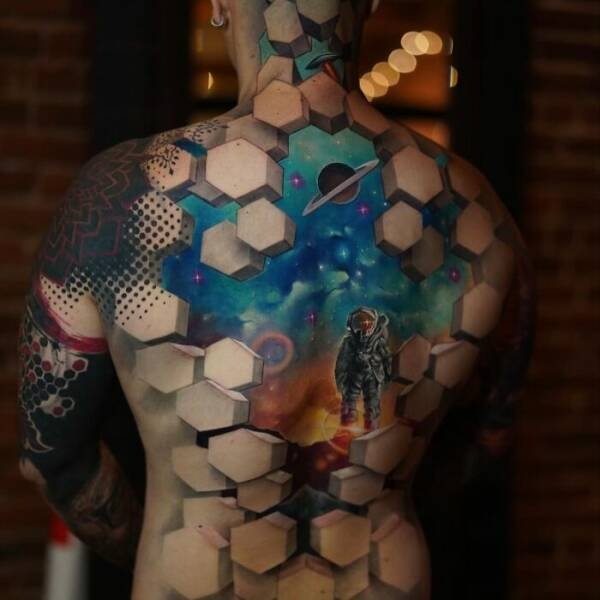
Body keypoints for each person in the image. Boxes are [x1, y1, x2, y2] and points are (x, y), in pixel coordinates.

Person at [17, 0, 535, 598]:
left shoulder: (126, 197)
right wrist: (387, 485)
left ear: (218, 5)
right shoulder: (479, 217)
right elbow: (487, 440)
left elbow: (51, 455)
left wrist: (157, 551)